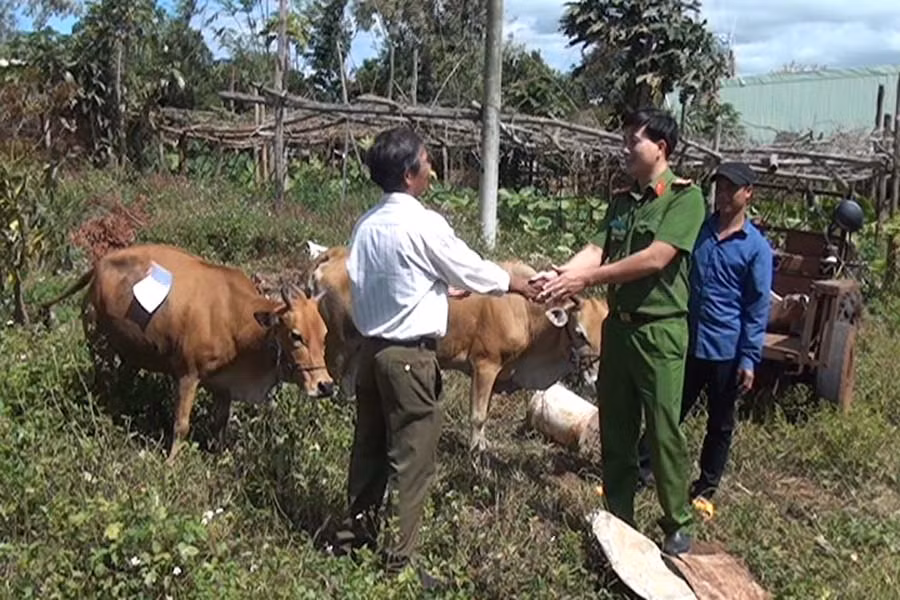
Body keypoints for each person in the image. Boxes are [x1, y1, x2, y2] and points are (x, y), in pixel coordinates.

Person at [330, 126, 539, 588]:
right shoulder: (423, 223)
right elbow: (469, 266)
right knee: (412, 461)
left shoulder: (366, 225)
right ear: (410, 174)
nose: (432, 169)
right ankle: (398, 564)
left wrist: (437, 289)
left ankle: (352, 543)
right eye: (427, 161)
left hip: (371, 355)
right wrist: (516, 283)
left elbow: (381, 282)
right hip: (409, 360)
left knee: (368, 451)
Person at [531, 108, 705, 555]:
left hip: (660, 332)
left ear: (660, 148)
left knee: (663, 428)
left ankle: (677, 521)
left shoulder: (685, 199)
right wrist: (560, 276)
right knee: (617, 428)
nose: (624, 148)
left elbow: (655, 258)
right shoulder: (623, 201)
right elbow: (596, 249)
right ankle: (619, 518)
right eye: (623, 139)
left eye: (633, 140)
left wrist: (585, 279)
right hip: (620, 332)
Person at [636, 161, 773, 504]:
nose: (723, 195)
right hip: (687, 340)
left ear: (748, 193)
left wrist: (749, 358)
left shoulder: (756, 248)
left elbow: (757, 307)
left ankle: (705, 489)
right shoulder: (698, 231)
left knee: (720, 423)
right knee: (667, 411)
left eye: (731, 189)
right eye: (720, 188)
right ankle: (640, 472)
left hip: (726, 348)